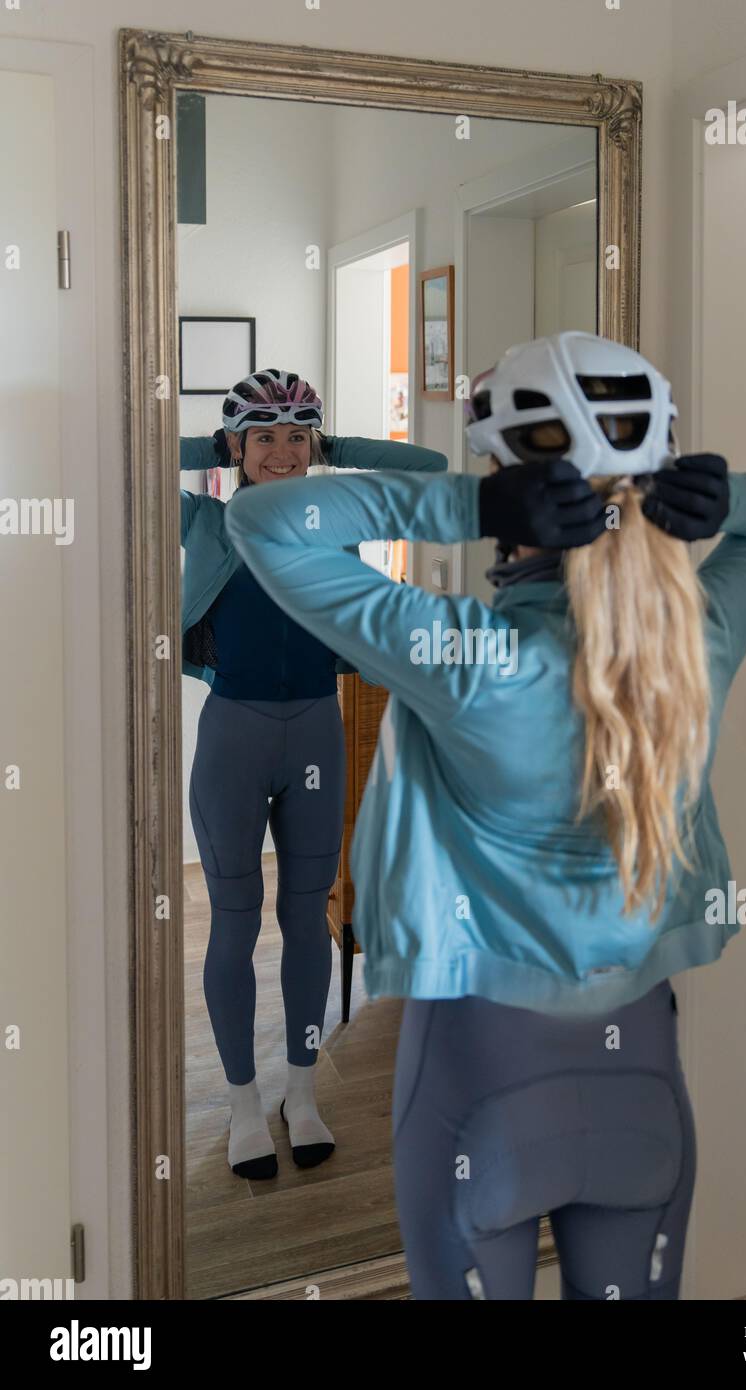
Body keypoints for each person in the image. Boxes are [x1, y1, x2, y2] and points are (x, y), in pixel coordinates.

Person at [221, 333, 746, 1297]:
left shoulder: (463, 655)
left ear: (516, 491)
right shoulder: (695, 639)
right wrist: (710, 495)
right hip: (646, 1097)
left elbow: (269, 524)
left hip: (475, 1087)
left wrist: (462, 504)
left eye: (497, 472)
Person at [180, 367, 447, 1181]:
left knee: (305, 917)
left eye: (300, 436)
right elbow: (133, 452)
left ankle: (301, 1093)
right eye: (265, 437)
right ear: (237, 447)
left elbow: (428, 468)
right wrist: (220, 444)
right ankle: (242, 1106)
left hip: (317, 734)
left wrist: (330, 448)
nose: (286, 452)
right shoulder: (206, 521)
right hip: (234, 734)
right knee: (235, 919)